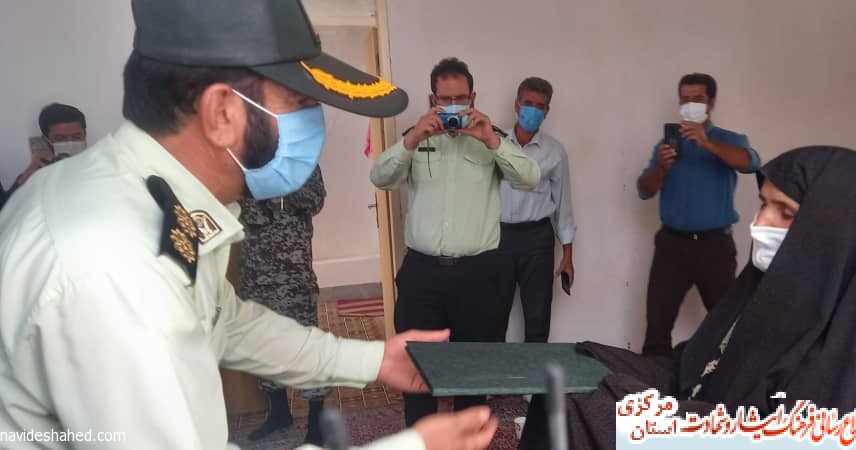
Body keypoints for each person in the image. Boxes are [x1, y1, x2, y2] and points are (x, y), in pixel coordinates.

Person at [0, 1, 498, 449]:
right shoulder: (117, 267)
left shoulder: (148, 197)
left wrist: (369, 361)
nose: (316, 122)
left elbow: (227, 322)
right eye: (300, 101)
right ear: (222, 112)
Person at [520, 146, 856, 450]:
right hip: (714, 414)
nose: (759, 224)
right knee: (571, 377)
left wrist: (625, 401)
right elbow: (701, 368)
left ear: (834, 230)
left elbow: (762, 433)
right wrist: (608, 367)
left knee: (590, 403)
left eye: (784, 213)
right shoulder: (774, 291)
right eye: (763, 205)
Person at [370, 57, 541, 426]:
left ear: (473, 98)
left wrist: (492, 141)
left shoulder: (492, 139)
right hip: (423, 274)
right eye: (444, 99)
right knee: (417, 370)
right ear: (433, 100)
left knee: (473, 374)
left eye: (460, 98)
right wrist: (411, 140)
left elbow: (530, 178)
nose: (452, 107)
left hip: (478, 275)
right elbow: (380, 177)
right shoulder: (415, 139)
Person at [636, 73, 761, 356]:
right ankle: (652, 382)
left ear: (711, 102)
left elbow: (751, 163)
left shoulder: (729, 140)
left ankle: (724, 382)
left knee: (726, 327)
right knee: (657, 327)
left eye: (698, 99)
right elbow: (644, 189)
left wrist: (707, 143)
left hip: (715, 247)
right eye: (685, 99)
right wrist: (662, 168)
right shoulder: (667, 143)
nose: (690, 104)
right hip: (671, 246)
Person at [237, 168, 329, 444]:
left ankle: (316, 421)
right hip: (255, 269)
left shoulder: (300, 159)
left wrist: (282, 183)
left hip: (292, 272)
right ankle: (279, 412)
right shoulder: (243, 158)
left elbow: (316, 200)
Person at [498, 76, 576, 343]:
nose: (533, 110)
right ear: (516, 105)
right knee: (492, 314)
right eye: (528, 103)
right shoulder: (494, 144)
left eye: (540, 106)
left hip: (537, 240)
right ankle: (492, 370)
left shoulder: (555, 152)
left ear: (547, 111)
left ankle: (537, 372)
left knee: (538, 317)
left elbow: (563, 205)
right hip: (497, 238)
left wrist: (568, 256)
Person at [8, 103, 88, 193]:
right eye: (60, 139)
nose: (70, 143)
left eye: (77, 137)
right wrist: (23, 181)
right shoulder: (35, 175)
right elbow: (8, 202)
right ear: (46, 140)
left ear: (85, 135)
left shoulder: (97, 167)